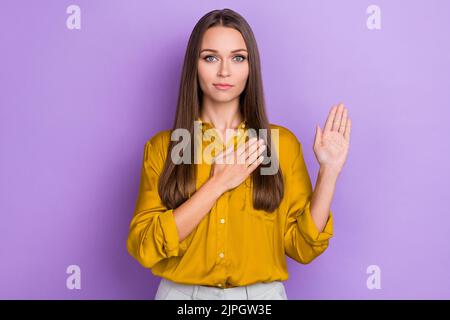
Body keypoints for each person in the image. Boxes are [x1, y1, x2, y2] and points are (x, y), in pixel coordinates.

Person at [126, 8, 351, 300]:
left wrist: (329, 173)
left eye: (237, 57)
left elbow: (302, 247)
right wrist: (218, 183)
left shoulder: (280, 145)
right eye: (210, 57)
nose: (224, 71)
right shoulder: (163, 148)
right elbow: (144, 247)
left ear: (250, 66)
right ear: (194, 66)